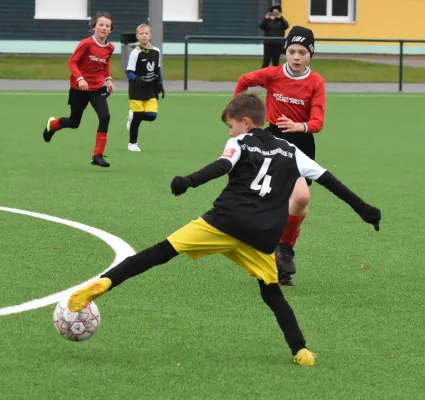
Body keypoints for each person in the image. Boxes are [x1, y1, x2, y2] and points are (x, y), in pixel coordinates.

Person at [67, 93, 381, 366]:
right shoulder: (291, 150)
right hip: (262, 236)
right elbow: (331, 181)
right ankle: (300, 350)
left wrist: (189, 181)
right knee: (272, 293)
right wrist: (365, 210)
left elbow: (223, 166)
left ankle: (96, 288)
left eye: (230, 125)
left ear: (245, 122)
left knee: (161, 252)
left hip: (225, 222)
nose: (229, 131)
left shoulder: (239, 142)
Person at [234, 26, 324, 286]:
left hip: (303, 144)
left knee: (300, 208)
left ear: (311, 55)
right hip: (274, 143)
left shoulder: (316, 82)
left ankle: (281, 250)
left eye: (302, 52)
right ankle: (280, 251)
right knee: (290, 198)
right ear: (286, 52)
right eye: (292, 51)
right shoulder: (273, 74)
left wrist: (299, 126)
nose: (296, 57)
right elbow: (244, 81)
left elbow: (317, 121)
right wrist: (239, 114)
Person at [42, 12, 115, 168]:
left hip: (96, 89)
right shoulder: (86, 44)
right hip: (79, 88)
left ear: (110, 30)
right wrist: (80, 79)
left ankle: (97, 155)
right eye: (101, 25)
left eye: (107, 26)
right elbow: (72, 63)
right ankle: (52, 125)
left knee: (105, 116)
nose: (103, 28)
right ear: (94, 26)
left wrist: (108, 79)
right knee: (74, 123)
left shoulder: (110, 47)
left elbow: (105, 65)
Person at [125, 24, 165, 152]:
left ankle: (132, 116)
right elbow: (129, 72)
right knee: (137, 118)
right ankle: (132, 144)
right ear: (137, 36)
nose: (144, 36)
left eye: (146, 33)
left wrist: (160, 84)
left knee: (152, 115)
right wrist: (137, 79)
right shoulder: (135, 53)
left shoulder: (156, 51)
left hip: (150, 89)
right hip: (136, 89)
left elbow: (158, 69)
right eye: (141, 33)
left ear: (150, 35)